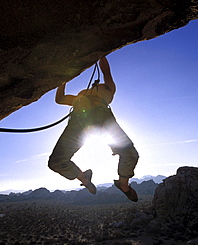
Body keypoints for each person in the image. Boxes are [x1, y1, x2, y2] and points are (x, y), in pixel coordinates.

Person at [48, 57, 139, 202]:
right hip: (84, 119)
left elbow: (106, 71)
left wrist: (101, 54)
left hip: (97, 118)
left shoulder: (108, 89)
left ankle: (124, 185)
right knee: (56, 162)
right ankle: (83, 177)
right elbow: (60, 99)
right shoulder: (84, 96)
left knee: (130, 153)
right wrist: (63, 79)